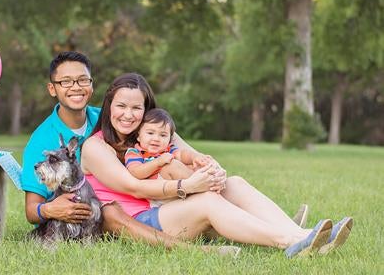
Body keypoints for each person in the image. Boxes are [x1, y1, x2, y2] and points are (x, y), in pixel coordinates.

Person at [81, 73, 353, 258]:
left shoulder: (152, 133)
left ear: (146, 109)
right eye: (121, 106)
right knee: (207, 201)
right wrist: (187, 185)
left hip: (168, 208)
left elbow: (196, 155)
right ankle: (290, 242)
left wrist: (213, 171)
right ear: (108, 106)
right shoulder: (96, 146)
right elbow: (134, 187)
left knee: (234, 182)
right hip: (142, 221)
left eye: (136, 108)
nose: (128, 115)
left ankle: (304, 235)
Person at [21, 52, 199, 248]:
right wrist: (50, 209)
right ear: (52, 88)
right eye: (66, 82)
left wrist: (199, 161)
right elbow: (31, 211)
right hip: (89, 217)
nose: (76, 87)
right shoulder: (41, 141)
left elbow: (156, 129)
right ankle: (191, 244)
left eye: (82, 80)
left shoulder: (112, 117)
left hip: (132, 201)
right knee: (109, 212)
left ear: (91, 85)